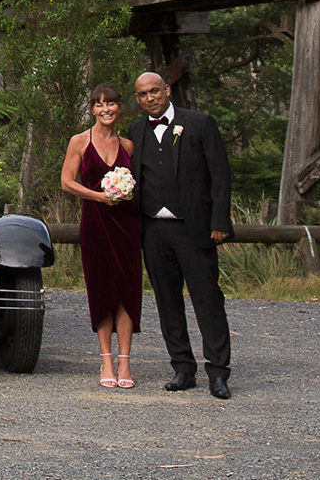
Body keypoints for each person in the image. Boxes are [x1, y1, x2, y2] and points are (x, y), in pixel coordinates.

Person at [127, 71, 233, 399]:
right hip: (154, 229)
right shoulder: (135, 131)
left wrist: (220, 222)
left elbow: (220, 175)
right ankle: (182, 368)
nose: (150, 98)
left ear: (167, 90)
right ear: (138, 98)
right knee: (167, 301)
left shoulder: (200, 123)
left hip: (194, 227)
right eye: (143, 94)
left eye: (155, 91)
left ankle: (218, 372)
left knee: (208, 300)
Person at [61, 85, 141, 390]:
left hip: (126, 223)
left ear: (119, 108)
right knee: (102, 287)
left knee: (127, 289)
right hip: (96, 222)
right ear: (92, 109)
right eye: (99, 104)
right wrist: (99, 196)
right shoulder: (80, 141)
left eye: (111, 104)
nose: (106, 109)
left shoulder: (129, 146)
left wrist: (122, 193)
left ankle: (125, 361)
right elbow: (67, 183)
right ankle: (106, 358)